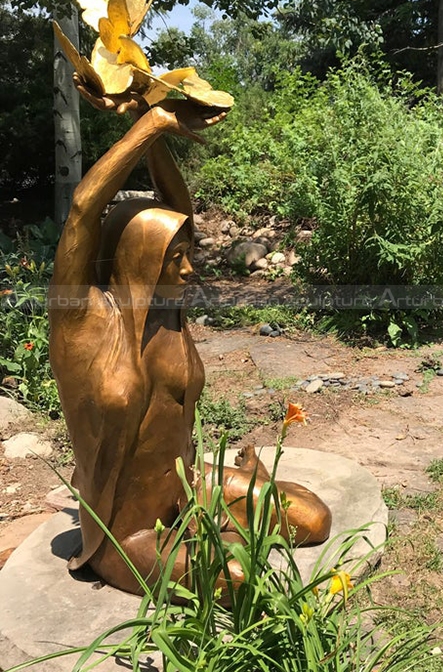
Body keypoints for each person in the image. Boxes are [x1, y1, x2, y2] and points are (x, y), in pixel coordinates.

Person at [49, 79, 331, 595]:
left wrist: (150, 116)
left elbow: (177, 206)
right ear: (139, 261)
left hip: (189, 487)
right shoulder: (84, 323)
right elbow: (86, 207)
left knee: (314, 520)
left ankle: (223, 513)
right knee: (239, 578)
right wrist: (152, 123)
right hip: (126, 528)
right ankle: (219, 528)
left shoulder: (166, 311)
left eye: (186, 255)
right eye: (172, 259)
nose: (188, 270)